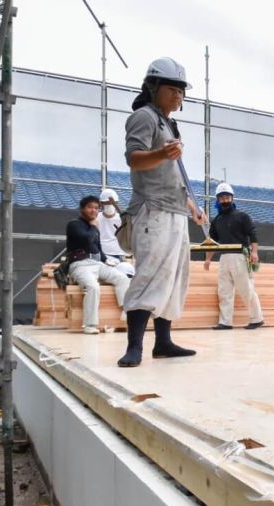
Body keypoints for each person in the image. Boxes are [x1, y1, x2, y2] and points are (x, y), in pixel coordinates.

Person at [118, 57, 208, 368]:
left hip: (174, 210)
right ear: (153, 88)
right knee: (149, 274)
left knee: (173, 278)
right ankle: (134, 347)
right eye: (172, 89)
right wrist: (161, 152)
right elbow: (134, 159)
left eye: (182, 91)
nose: (178, 96)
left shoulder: (169, 123)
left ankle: (163, 342)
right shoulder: (144, 117)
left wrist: (192, 207)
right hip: (153, 209)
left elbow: (173, 176)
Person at [203, 183, 264, 330]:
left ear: (232, 198)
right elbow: (211, 242)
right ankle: (225, 322)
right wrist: (208, 259)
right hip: (224, 258)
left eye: (227, 197)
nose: (225, 200)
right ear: (218, 200)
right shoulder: (216, 220)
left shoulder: (242, 216)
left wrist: (254, 252)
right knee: (224, 291)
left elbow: (253, 234)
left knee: (246, 289)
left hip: (240, 257)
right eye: (222, 198)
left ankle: (257, 319)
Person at [66, 195, 130, 334]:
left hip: (97, 263)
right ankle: (90, 325)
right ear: (82, 209)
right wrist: (94, 227)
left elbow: (98, 248)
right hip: (80, 264)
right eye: (90, 207)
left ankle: (126, 311)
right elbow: (86, 240)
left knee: (122, 278)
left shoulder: (94, 228)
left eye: (96, 208)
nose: (94, 211)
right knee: (93, 287)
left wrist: (106, 260)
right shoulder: (74, 224)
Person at [97, 188, 135, 277]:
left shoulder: (122, 219)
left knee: (127, 272)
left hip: (121, 255)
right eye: (106, 203)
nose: (109, 205)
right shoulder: (96, 218)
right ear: (101, 204)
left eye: (111, 203)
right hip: (102, 255)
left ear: (116, 203)